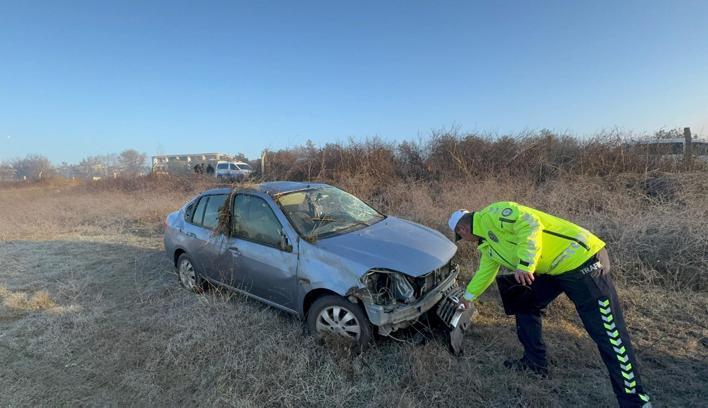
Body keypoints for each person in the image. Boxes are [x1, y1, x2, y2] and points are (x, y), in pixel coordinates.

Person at [448, 202, 651, 408]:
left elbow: (530, 224)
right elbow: (485, 272)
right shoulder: (488, 246)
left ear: (462, 229)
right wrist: (468, 297)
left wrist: (526, 264)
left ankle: (636, 401)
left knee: (609, 333)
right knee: (522, 300)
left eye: (461, 237)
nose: (464, 240)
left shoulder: (494, 213)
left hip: (582, 259)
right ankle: (535, 363)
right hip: (555, 270)